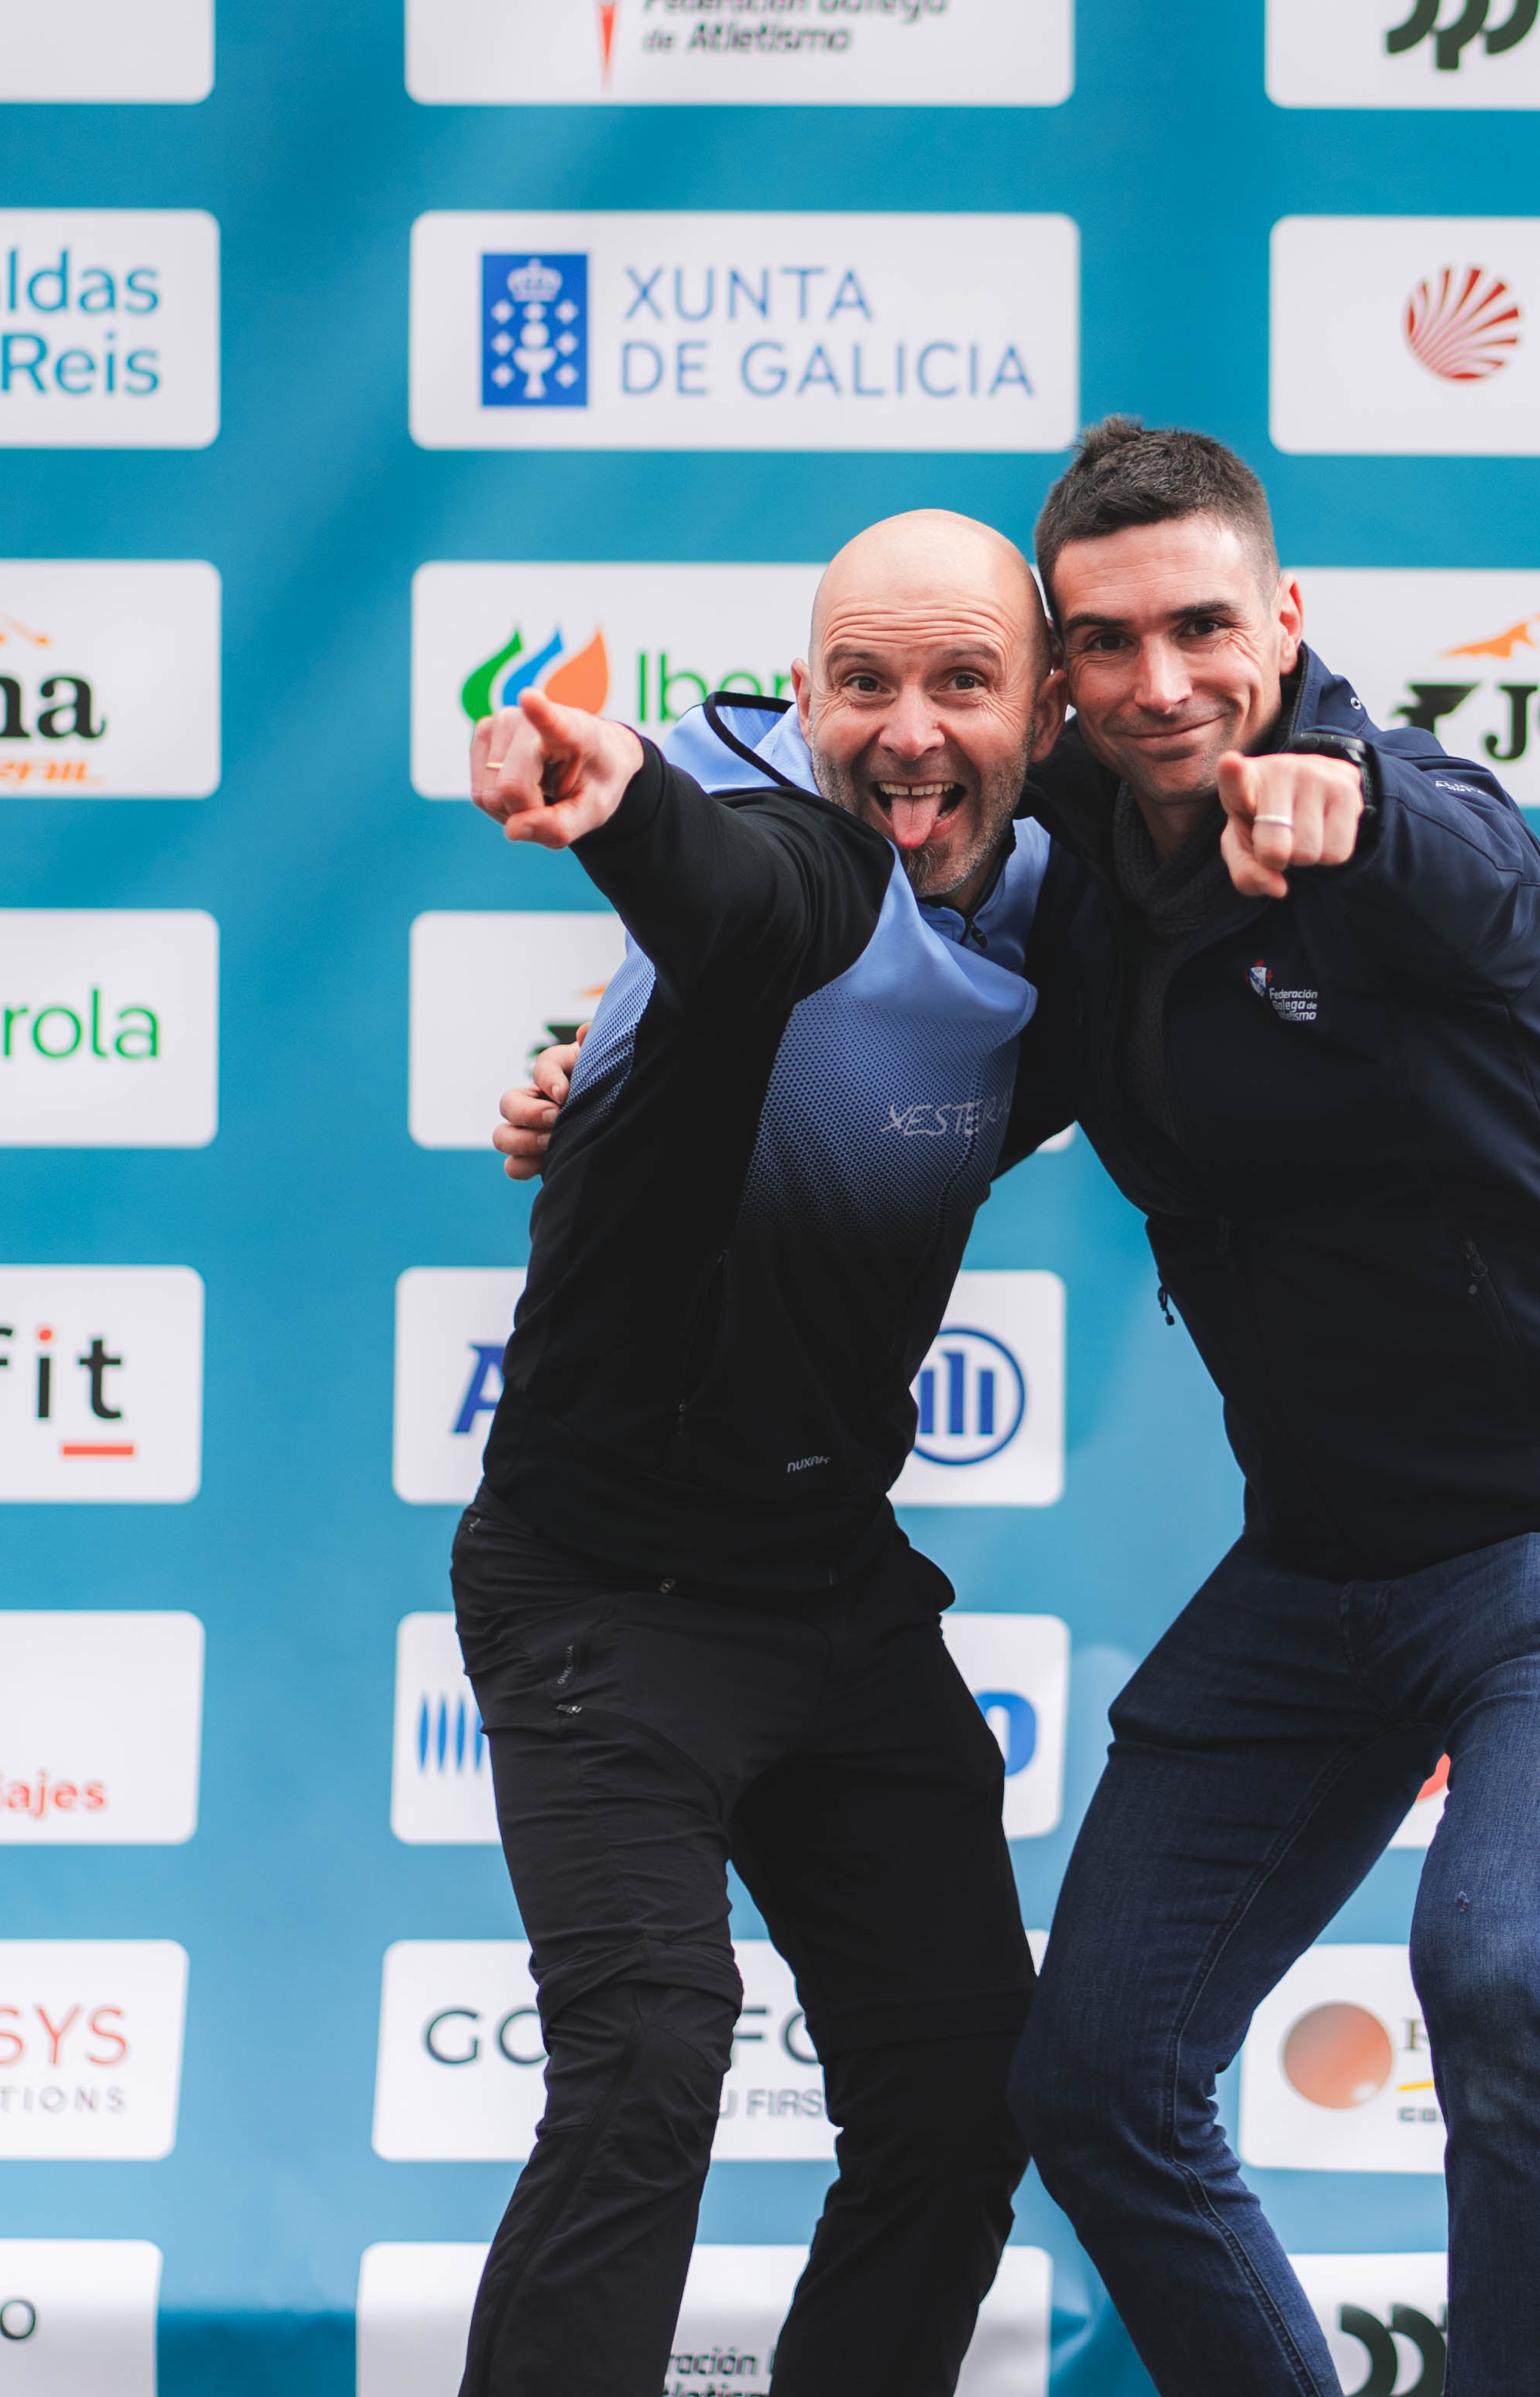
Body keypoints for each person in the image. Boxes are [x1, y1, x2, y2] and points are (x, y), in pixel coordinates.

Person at [1002, 422, 1540, 2397]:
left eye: (1204, 627)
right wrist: (615, 1084)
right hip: (1315, 1567)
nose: (1162, 680)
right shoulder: (1076, 857)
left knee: (1500, 1967)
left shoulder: (1396, 817)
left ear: (1288, 617)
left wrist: (1351, 803)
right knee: (1093, 2072)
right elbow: (872, 933)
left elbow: (1459, 846)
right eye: (1107, 641)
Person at [445, 508, 1060, 2397]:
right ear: (802, 700)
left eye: (964, 682)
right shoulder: (793, 843)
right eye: (860, 682)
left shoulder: (1061, 893)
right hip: (606, 1595)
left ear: (1044, 715)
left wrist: (1333, 770)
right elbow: (742, 887)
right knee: (647, 2056)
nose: (907, 731)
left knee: (965, 2087)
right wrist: (622, 799)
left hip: (832, 1586)